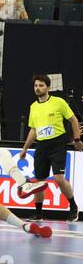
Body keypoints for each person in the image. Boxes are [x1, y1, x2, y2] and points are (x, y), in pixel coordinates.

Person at [20, 75, 82, 223]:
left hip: (58, 143)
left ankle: (73, 207)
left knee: (58, 178)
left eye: (41, 85)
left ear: (47, 87)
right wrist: (24, 149)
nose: (37, 88)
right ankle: (39, 214)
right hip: (41, 146)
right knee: (39, 181)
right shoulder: (33, 107)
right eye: (35, 86)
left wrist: (77, 140)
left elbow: (73, 120)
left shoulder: (59, 102)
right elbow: (34, 130)